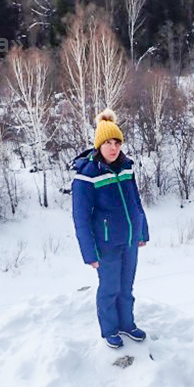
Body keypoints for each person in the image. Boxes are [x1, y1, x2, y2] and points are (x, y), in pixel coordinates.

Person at [72, 109, 149, 349]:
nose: (113, 148)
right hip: (106, 245)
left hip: (129, 240)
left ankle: (127, 324)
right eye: (108, 143)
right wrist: (90, 253)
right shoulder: (86, 176)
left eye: (117, 143)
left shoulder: (126, 167)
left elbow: (135, 201)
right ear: (99, 145)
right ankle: (110, 330)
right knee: (110, 288)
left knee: (127, 287)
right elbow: (81, 218)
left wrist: (142, 231)